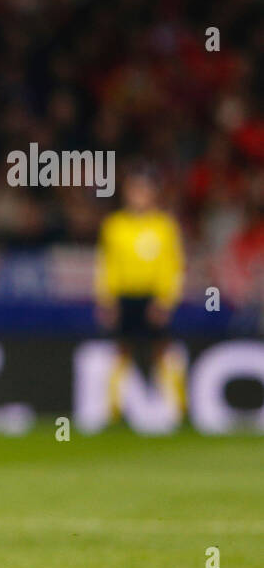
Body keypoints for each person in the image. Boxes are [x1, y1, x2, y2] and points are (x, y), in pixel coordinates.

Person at [96, 171, 186, 421]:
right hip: (125, 296)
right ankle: (112, 410)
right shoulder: (114, 226)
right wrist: (107, 299)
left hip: (153, 297)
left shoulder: (164, 226)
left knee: (162, 350)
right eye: (133, 190)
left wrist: (165, 300)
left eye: (142, 191)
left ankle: (179, 408)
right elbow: (108, 265)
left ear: (152, 194)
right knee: (121, 350)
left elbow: (172, 265)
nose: (138, 197)